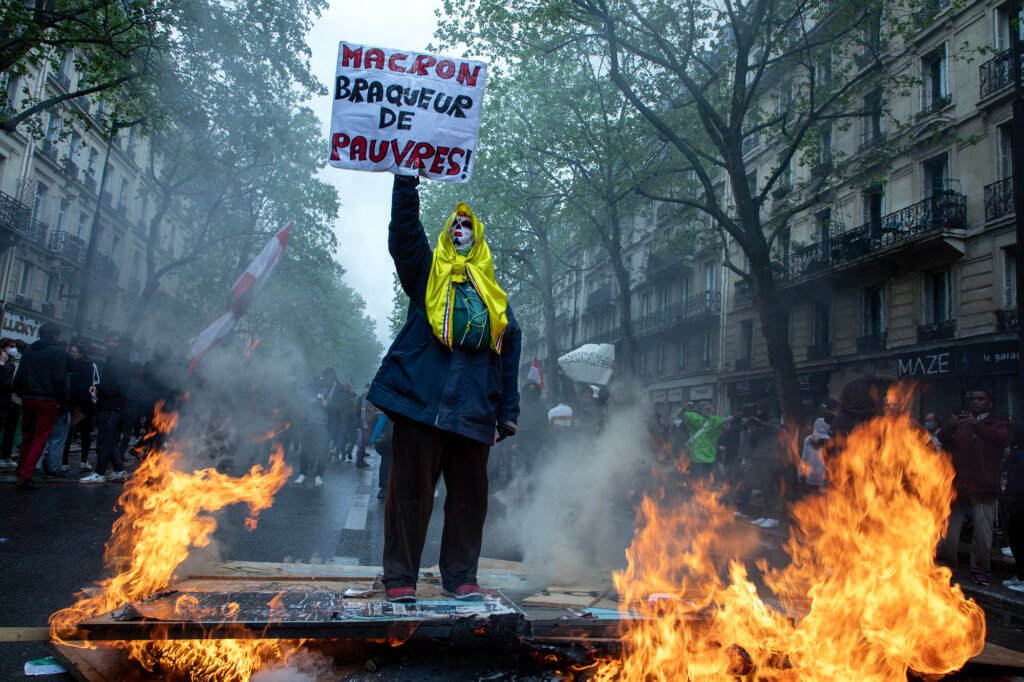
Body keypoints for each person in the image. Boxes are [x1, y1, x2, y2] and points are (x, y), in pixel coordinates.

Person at [368, 173, 521, 604]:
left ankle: (460, 577)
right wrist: (406, 184)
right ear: (445, 233)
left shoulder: (495, 297)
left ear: (479, 238)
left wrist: (507, 411)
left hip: (474, 411)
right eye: (454, 226)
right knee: (409, 496)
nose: (460, 232)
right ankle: (400, 578)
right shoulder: (426, 275)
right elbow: (404, 238)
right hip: (422, 404)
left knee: (470, 500)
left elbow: (510, 348)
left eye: (467, 228)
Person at [936, 389, 1011, 587]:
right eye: (973, 399)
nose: (976, 402)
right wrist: (951, 426)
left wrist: (976, 425)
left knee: (982, 534)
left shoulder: (996, 424)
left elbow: (1000, 440)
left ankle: (980, 571)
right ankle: (949, 567)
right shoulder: (962, 425)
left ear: (990, 403)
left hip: (984, 487)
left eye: (980, 399)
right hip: (959, 485)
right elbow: (945, 440)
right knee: (950, 532)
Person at [13, 323, 70, 490]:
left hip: (29, 398)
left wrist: (22, 394)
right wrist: (62, 401)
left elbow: (19, 376)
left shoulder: (29, 350)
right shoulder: (58, 352)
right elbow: (60, 379)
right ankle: (26, 475)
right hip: (47, 400)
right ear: (55, 336)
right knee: (40, 438)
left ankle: (21, 470)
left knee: (27, 436)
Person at [81, 332, 131, 484]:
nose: (111, 343)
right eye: (109, 340)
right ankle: (118, 469)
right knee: (109, 440)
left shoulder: (121, 361)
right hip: (108, 404)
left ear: (120, 343)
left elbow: (121, 385)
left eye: (114, 341)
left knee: (105, 440)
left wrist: (101, 388)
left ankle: (99, 472)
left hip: (112, 405)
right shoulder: (112, 359)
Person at [738, 398, 783, 529]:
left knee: (771, 489)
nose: (758, 412)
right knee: (763, 488)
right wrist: (752, 431)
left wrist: (761, 423)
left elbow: (776, 431)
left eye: (760, 409)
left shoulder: (773, 420)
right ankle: (765, 515)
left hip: (771, 459)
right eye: (756, 409)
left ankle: (773, 517)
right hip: (759, 458)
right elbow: (753, 443)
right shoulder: (759, 423)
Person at [295, 368, 341, 488]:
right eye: (324, 377)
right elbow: (304, 395)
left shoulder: (338, 390)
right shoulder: (316, 385)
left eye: (328, 378)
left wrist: (328, 405)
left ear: (333, 377)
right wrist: (309, 400)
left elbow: (342, 407)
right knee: (304, 448)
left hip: (325, 425)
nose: (325, 380)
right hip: (310, 422)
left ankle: (319, 475)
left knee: (322, 452)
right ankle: (302, 474)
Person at [62, 342, 98, 473]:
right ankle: (84, 461)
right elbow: (95, 384)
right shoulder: (92, 366)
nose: (71, 354)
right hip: (86, 403)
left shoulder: (70, 366)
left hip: (73, 403)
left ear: (81, 353)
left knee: (68, 433)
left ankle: (64, 462)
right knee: (85, 434)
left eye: (73, 352)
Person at [1002, 420, 1024, 593]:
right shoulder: (1016, 453)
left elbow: (1017, 483)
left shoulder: (1020, 456)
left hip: (1019, 505)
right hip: (1016, 503)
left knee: (1018, 538)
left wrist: (1011, 498)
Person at [681, 401, 727, 480]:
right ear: (701, 410)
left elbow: (725, 419)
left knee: (710, 477)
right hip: (698, 457)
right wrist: (684, 408)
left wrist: (735, 417)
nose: (708, 411)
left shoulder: (713, 420)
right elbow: (681, 415)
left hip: (710, 456)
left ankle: (707, 489)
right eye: (706, 409)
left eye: (709, 409)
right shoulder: (694, 418)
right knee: (699, 478)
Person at [0, 339, 19, 471]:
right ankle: (4, 457)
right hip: (5, 401)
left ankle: (5, 456)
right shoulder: (8, 365)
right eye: (11, 346)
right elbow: (5, 384)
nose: (13, 349)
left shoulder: (11, 363)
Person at [800, 417, 831, 491]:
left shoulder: (808, 439)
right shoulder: (830, 441)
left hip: (810, 478)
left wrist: (800, 475)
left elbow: (804, 458)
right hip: (824, 479)